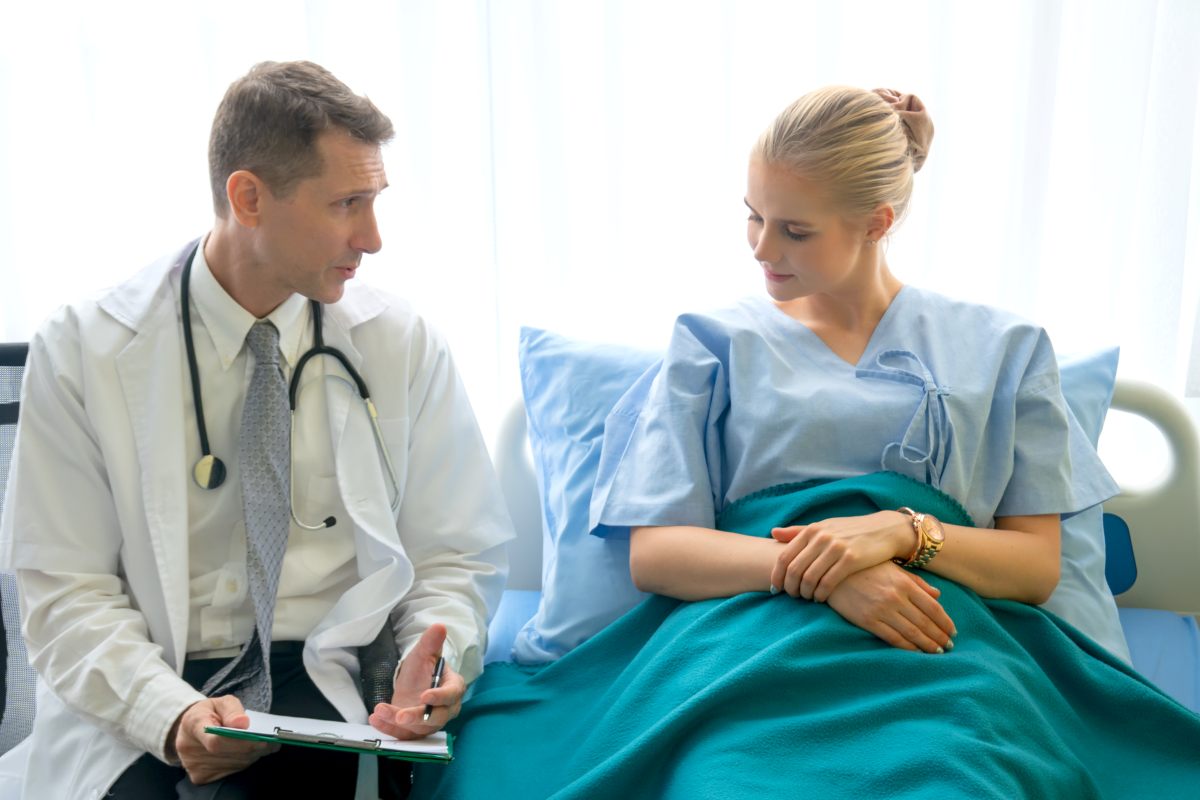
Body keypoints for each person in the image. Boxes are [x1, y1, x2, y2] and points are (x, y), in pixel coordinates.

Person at [411, 86, 1200, 799]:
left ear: (878, 223)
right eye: (752, 215)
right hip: (741, 648)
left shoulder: (1005, 348)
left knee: (962, 777)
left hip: (939, 646)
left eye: (793, 229)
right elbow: (658, 553)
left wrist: (900, 534)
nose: (761, 248)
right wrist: (825, 576)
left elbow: (1033, 568)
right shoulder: (711, 343)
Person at [0, 61, 512, 798]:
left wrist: (431, 658)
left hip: (321, 675)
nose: (372, 238)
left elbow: (452, 558)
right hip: (141, 678)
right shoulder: (85, 348)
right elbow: (65, 595)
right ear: (248, 198)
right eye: (347, 203)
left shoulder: (399, 342)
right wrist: (168, 712)